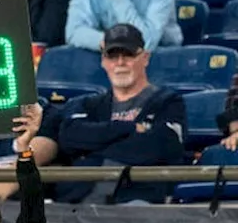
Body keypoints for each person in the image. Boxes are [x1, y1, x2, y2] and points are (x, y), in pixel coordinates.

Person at [53, 23, 187, 204]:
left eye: (129, 55)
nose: (120, 62)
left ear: (145, 57)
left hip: (138, 203)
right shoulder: (86, 104)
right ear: (103, 61)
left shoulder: (168, 102)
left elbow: (163, 146)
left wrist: (93, 152)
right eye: (112, 55)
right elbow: (69, 138)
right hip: (78, 202)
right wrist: (129, 129)